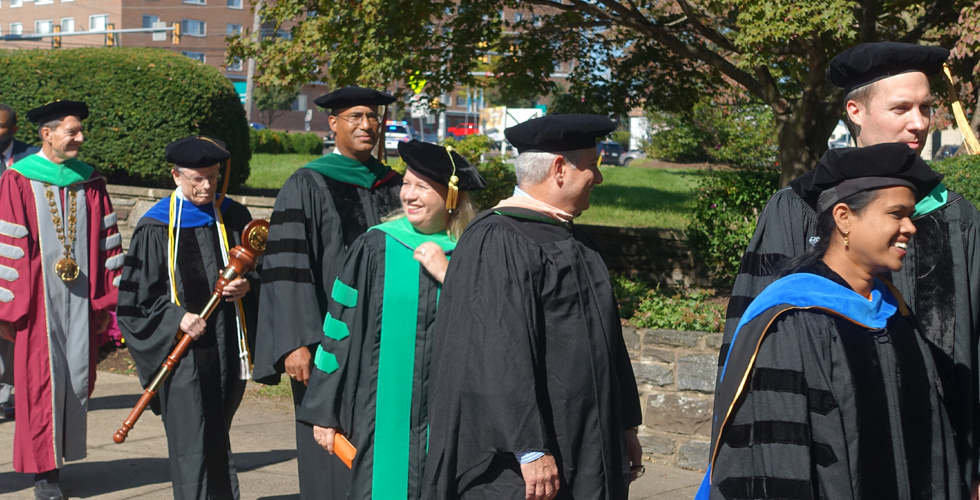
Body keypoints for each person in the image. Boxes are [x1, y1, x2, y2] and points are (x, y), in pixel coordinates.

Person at [719, 41, 980, 493]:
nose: (918, 123)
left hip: (942, 459)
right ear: (855, 111)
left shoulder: (955, 216)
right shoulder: (796, 209)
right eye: (901, 108)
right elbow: (761, 351)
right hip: (830, 463)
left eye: (926, 107)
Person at [698, 143, 961, 499]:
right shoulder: (791, 320)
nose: (909, 228)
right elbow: (774, 466)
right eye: (896, 214)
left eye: (910, 215)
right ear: (844, 218)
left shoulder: (893, 315)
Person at [423, 114, 643, 500]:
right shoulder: (498, 240)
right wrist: (529, 448)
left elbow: (609, 345)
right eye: (592, 166)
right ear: (559, 169)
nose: (599, 177)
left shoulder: (577, 241)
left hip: (589, 445)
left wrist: (625, 427)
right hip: (526, 461)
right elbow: (497, 352)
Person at [296, 139, 486, 499]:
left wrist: (452, 277)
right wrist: (324, 408)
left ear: (451, 197)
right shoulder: (376, 247)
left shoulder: (474, 255)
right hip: (378, 415)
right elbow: (338, 329)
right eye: (407, 184)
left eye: (423, 187)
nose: (409, 195)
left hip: (453, 420)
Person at [254, 86, 402, 499]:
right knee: (329, 446)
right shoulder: (307, 183)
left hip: (390, 342)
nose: (366, 125)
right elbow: (287, 268)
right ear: (332, 123)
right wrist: (295, 342)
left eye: (373, 117)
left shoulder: (396, 186)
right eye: (355, 117)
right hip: (329, 345)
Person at [116, 136, 258, 500]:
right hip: (184, 358)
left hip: (227, 350)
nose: (206, 186)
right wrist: (176, 317)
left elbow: (263, 274)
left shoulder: (234, 217)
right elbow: (135, 302)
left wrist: (246, 286)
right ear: (175, 176)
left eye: (212, 176)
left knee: (216, 437)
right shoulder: (156, 227)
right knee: (192, 443)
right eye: (196, 178)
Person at [0, 100, 121, 500]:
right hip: (37, 303)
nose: (80, 138)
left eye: (80, 130)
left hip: (81, 299)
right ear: (46, 134)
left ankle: (60, 456)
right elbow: (9, 246)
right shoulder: (17, 179)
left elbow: (107, 245)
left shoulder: (90, 181)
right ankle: (43, 473)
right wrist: (8, 310)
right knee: (38, 384)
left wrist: (104, 303)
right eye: (72, 131)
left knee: (75, 379)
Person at [0, 103, 39, 421]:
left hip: (17, 256)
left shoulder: (32, 159)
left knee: (9, 324)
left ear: (13, 129)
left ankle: (5, 394)